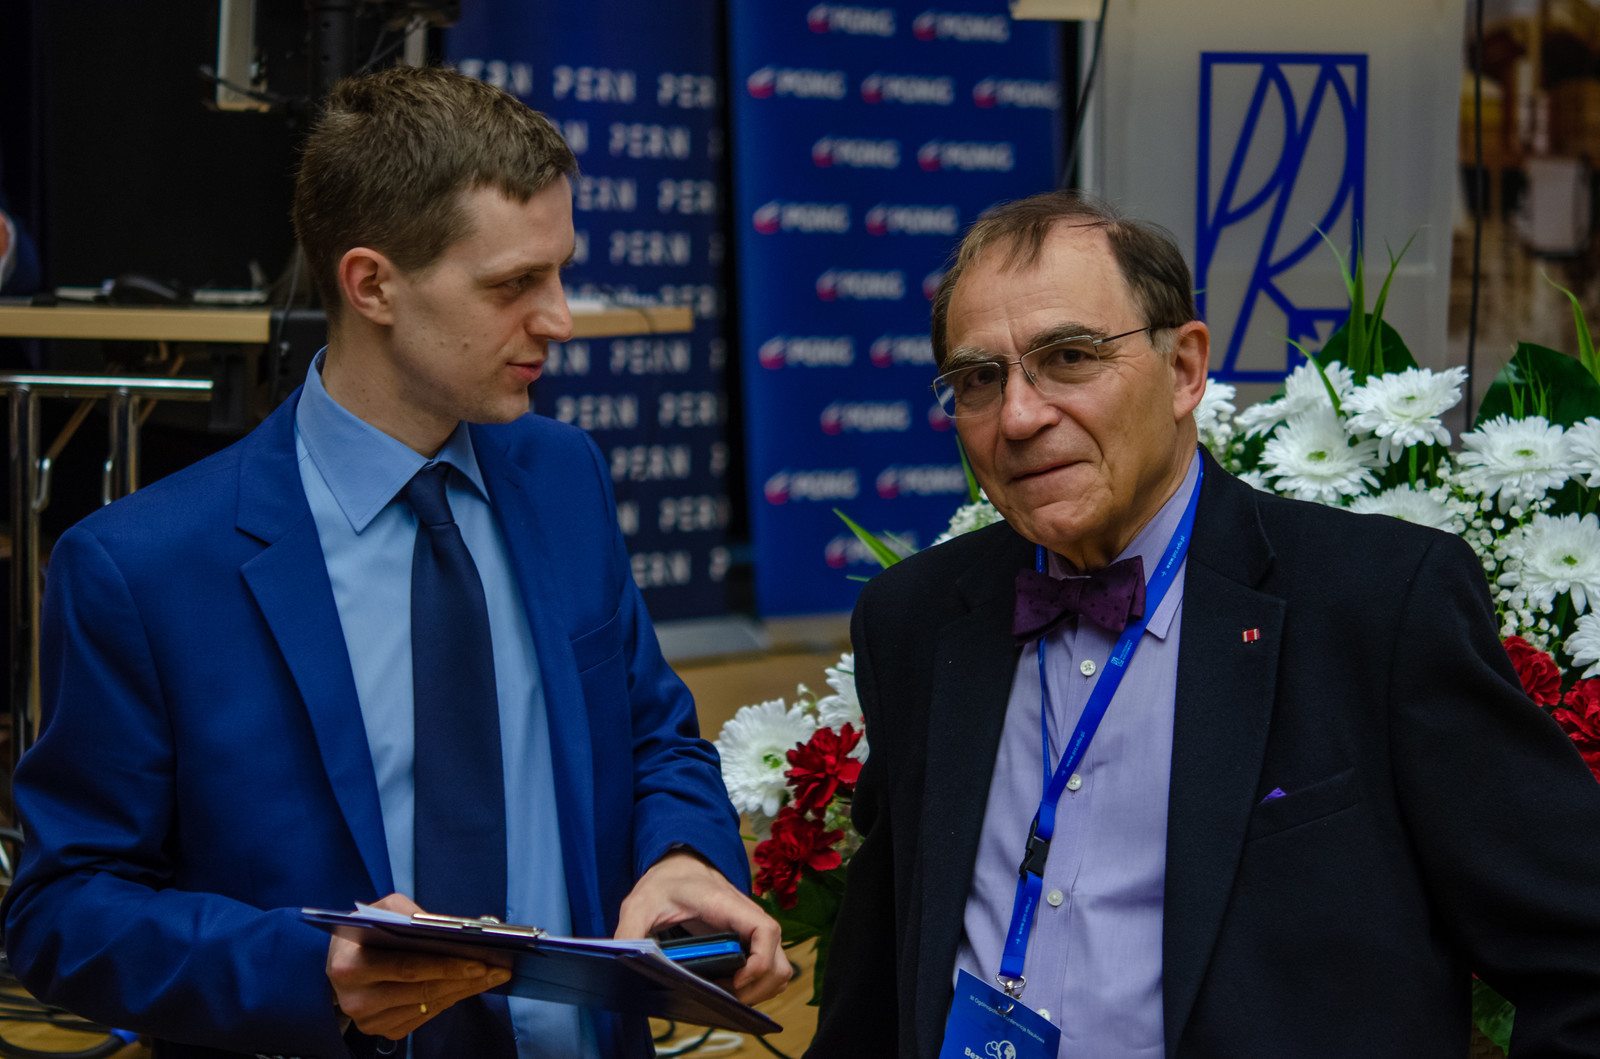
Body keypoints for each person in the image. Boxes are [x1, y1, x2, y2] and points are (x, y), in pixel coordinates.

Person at [3, 64, 787, 1059]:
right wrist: (310, 972)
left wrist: (683, 854)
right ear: (371, 283)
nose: (559, 318)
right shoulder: (143, 566)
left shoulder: (563, 476)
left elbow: (652, 739)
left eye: (559, 271)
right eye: (512, 285)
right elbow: (66, 909)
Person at [806, 191, 1600, 1058]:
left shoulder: (1378, 607)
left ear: (1184, 369)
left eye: (1069, 357)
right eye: (979, 379)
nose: (1020, 417)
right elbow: (873, 985)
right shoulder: (914, 621)